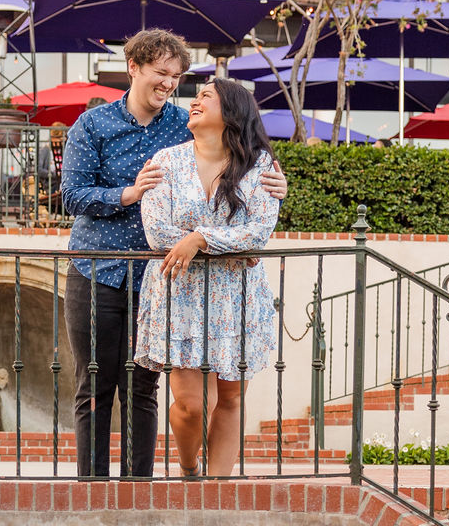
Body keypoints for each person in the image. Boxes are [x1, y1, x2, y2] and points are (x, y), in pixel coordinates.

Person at [61, 28, 286, 479]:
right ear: (134, 67)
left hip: (164, 280)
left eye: (177, 76)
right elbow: (71, 196)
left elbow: (234, 158)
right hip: (98, 270)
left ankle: (138, 486)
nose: (169, 83)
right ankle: (92, 488)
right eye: (161, 73)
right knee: (94, 387)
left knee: (143, 390)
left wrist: (280, 187)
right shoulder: (93, 125)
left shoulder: (183, 125)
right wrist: (128, 194)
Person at [136, 77, 280, 478]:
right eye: (196, 96)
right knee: (194, 402)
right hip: (179, 294)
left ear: (231, 112)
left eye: (205, 96)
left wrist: (199, 239)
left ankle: (215, 492)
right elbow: (157, 232)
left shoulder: (259, 166)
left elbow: (259, 231)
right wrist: (224, 246)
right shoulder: (166, 161)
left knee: (231, 399)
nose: (194, 102)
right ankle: (188, 466)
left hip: (237, 297)